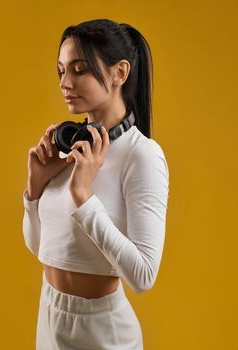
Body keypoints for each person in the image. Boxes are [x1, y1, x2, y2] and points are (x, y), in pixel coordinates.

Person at [22, 19, 169, 349]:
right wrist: (35, 189)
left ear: (119, 73)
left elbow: (144, 276)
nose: (65, 82)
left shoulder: (141, 156)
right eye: (61, 70)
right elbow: (40, 248)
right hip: (49, 319)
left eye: (80, 69)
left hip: (102, 332)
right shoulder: (70, 147)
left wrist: (83, 197)